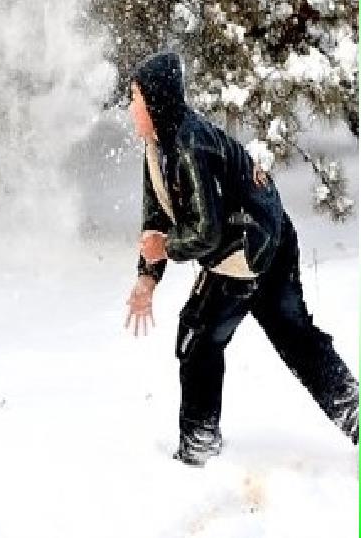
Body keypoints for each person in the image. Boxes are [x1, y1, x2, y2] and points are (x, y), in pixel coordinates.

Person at [124, 50, 359, 466]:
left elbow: (206, 231)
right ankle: (354, 415)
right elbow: (156, 218)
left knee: (199, 337)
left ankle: (198, 451)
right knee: (296, 338)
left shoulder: (188, 146)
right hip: (267, 241)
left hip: (248, 252)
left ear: (156, 103)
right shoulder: (157, 145)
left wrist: (167, 249)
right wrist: (147, 276)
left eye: (135, 99)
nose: (130, 108)